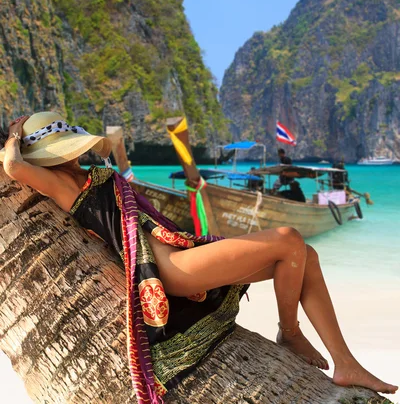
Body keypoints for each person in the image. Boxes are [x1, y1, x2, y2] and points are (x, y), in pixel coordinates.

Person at [0, 112, 397, 400]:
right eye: (62, 148)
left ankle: (345, 362)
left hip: (181, 257)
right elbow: (14, 167)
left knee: (304, 254)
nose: (71, 154)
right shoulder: (62, 185)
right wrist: (16, 135)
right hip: (170, 269)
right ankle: (290, 333)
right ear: (47, 157)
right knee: (289, 238)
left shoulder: (85, 175)